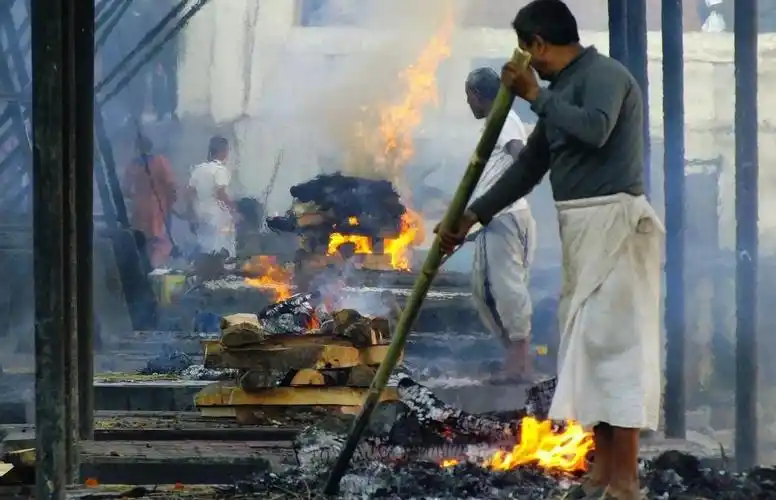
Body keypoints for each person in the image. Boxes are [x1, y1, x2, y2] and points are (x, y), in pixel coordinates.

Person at [436, 1, 663, 498]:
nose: (528, 62)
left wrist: (537, 96)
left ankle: (625, 483)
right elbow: (529, 166)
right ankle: (601, 474)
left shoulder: (605, 76)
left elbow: (595, 130)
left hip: (616, 225)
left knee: (617, 352)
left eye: (527, 49)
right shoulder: (559, 92)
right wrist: (473, 215)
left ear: (538, 43)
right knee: (589, 350)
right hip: (581, 230)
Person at [464, 67, 537, 384]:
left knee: (506, 289)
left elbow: (520, 155)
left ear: (478, 95)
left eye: (469, 97)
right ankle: (514, 359)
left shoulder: (504, 120)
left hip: (504, 217)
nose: (469, 105)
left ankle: (519, 364)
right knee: (484, 292)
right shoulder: (496, 123)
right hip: (491, 219)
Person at [122, 135, 177, 268]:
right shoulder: (160, 161)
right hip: (158, 209)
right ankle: (155, 270)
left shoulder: (133, 164)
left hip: (139, 208)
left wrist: (137, 197)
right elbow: (171, 185)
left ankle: (144, 268)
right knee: (159, 241)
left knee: (143, 240)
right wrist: (171, 203)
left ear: (136, 148)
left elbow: (125, 190)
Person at [186, 136, 238, 257]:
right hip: (218, 217)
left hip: (201, 214)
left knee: (205, 246)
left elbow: (189, 192)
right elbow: (221, 193)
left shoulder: (199, 169)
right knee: (222, 248)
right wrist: (234, 210)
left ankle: (205, 271)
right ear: (223, 151)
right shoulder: (220, 170)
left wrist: (192, 212)